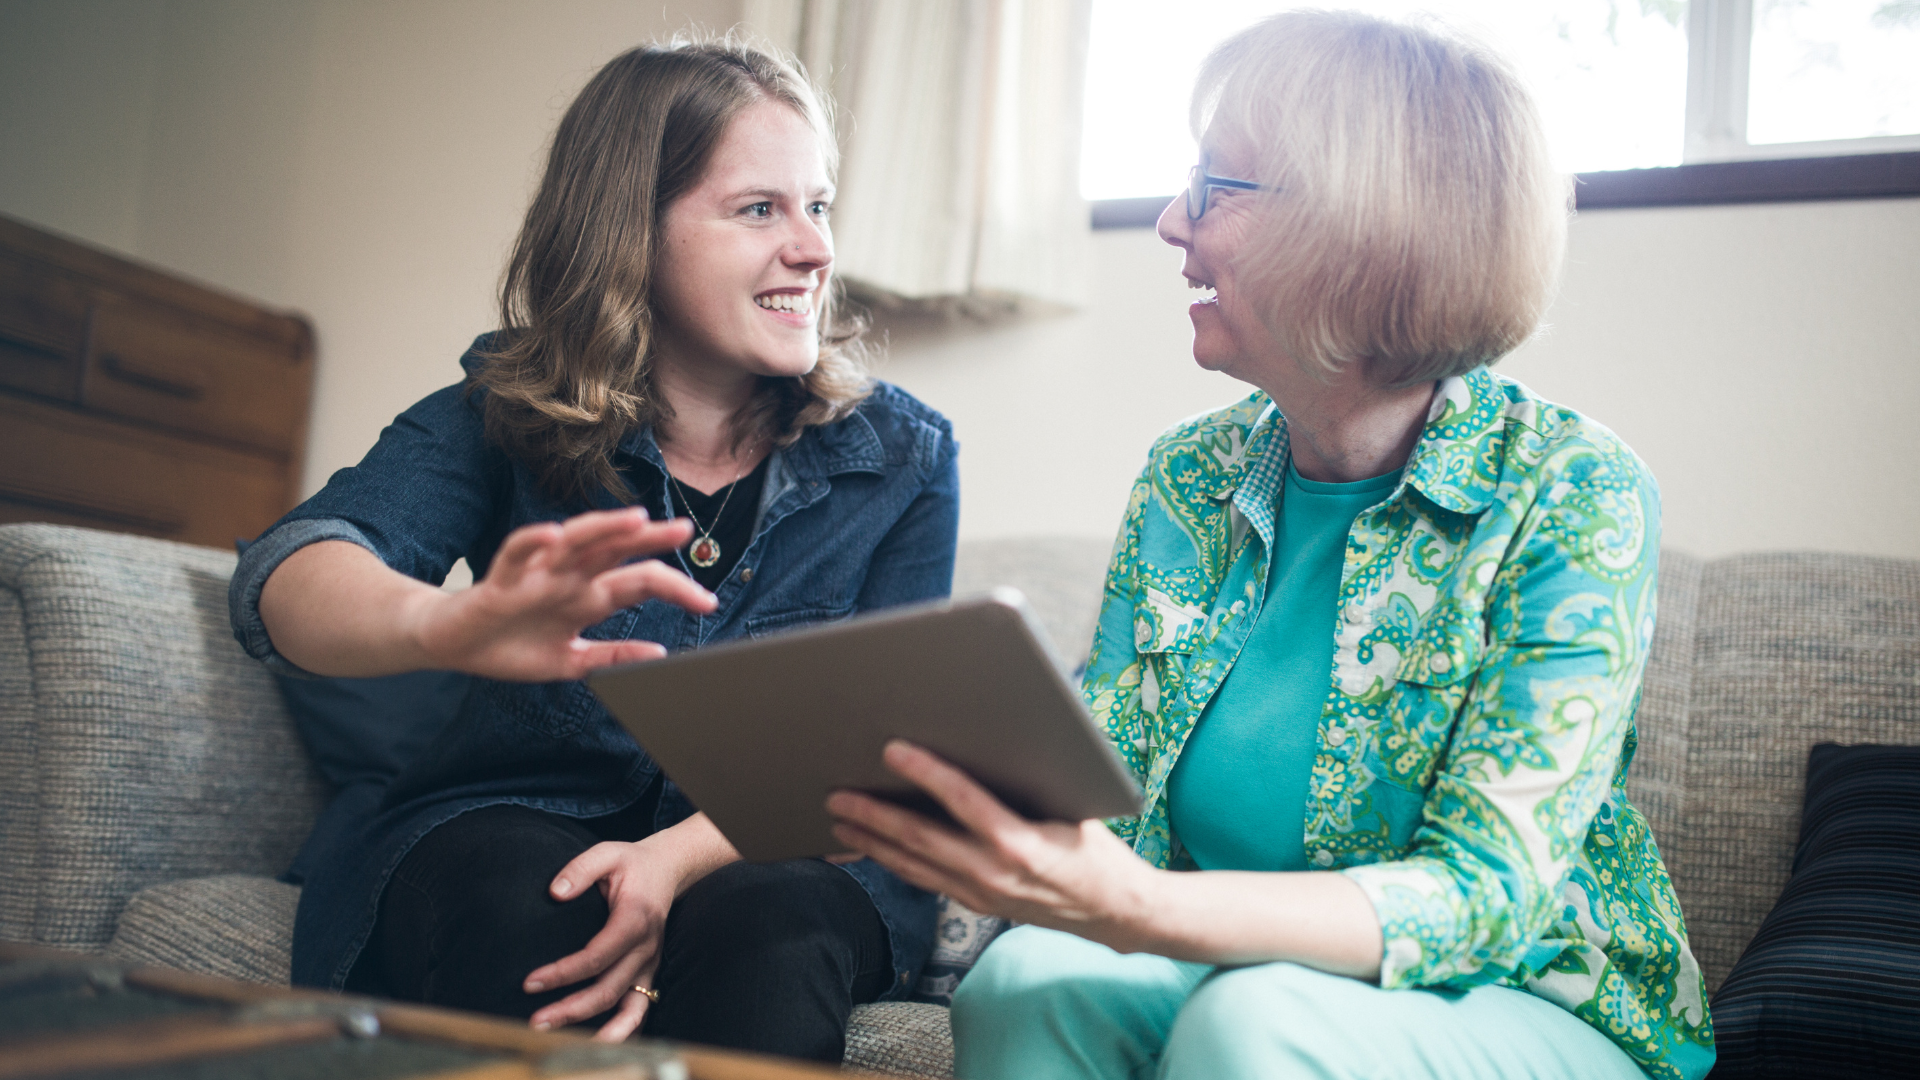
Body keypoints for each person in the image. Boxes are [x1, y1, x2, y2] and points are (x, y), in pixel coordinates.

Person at [826, 11, 1714, 1080]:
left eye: (1213, 185)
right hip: (1235, 969)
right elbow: (1106, 814)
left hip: (1526, 997)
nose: (1169, 221)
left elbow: (1485, 902)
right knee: (1028, 978)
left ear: (1359, 222)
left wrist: (1141, 905)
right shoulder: (1186, 479)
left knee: (1255, 1025)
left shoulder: (1573, 491)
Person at [229, 39, 958, 1063]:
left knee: (773, 925)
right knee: (529, 906)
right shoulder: (501, 413)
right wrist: (446, 620)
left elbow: (879, 751)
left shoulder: (903, 460)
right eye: (761, 209)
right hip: (514, 819)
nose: (814, 250)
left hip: (782, 848)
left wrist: (674, 859)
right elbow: (289, 574)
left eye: (820, 206)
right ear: (634, 230)